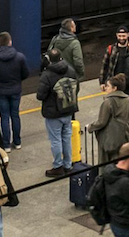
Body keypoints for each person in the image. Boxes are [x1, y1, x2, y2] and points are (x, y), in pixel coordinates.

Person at [37, 48, 79, 176]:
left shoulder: (47, 75)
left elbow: (40, 95)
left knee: (55, 140)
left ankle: (58, 166)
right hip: (68, 109)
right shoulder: (70, 70)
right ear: (61, 58)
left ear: (49, 60)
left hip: (53, 112)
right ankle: (68, 165)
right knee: (66, 138)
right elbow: (77, 88)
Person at [90, 74, 129, 165]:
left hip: (111, 138)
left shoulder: (108, 102)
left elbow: (101, 122)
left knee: (108, 164)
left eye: (108, 86)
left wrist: (90, 127)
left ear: (114, 88)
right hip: (126, 136)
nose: (105, 88)